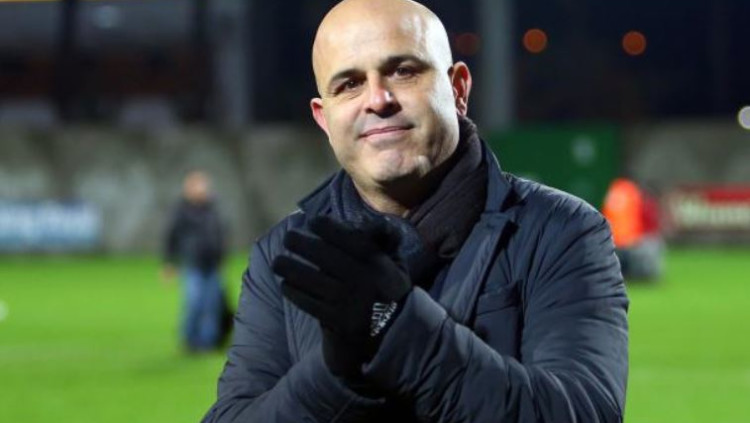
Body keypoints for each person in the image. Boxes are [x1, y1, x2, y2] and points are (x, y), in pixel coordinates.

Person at [203, 0, 628, 421]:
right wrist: (336, 373)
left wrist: (398, 328)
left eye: (403, 71)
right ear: (324, 119)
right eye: (349, 84)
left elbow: (584, 413)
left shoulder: (561, 230)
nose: (378, 99)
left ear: (458, 89)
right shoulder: (283, 255)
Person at [163, 170, 228, 352]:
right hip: (193, 264)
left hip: (213, 264)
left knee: (212, 305)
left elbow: (220, 235)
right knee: (195, 303)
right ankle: (189, 340)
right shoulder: (181, 212)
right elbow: (171, 238)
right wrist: (169, 263)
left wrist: (221, 260)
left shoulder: (213, 209)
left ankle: (208, 342)